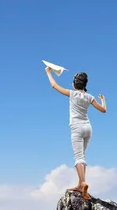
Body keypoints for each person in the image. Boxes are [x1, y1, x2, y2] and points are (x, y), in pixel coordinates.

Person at [45, 66, 107, 199]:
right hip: (88, 128)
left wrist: (48, 72)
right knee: (82, 156)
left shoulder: (72, 94)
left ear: (74, 84)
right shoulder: (89, 97)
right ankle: (80, 184)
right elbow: (103, 110)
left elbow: (54, 85)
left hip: (77, 128)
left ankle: (83, 183)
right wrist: (103, 99)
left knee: (78, 157)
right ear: (85, 85)